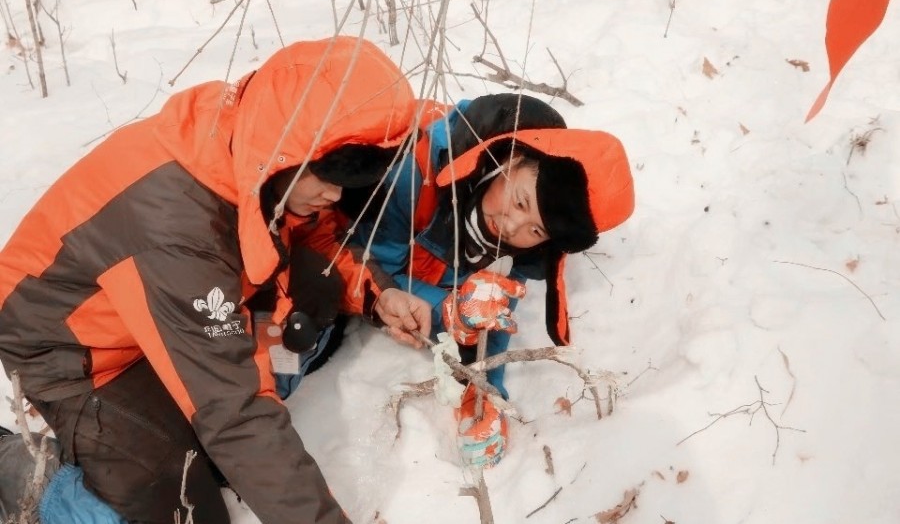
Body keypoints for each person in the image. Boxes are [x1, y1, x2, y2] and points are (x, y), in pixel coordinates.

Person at [0, 36, 434, 524]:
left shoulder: (253, 148)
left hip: (172, 303)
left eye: (348, 180)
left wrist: (378, 295)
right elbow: (236, 412)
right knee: (179, 499)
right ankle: (15, 468)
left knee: (319, 283)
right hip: (76, 348)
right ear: (288, 147)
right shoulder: (176, 228)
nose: (335, 194)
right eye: (327, 175)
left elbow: (313, 233)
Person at [306, 93, 635, 467]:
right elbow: (370, 260)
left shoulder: (516, 252)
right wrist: (450, 308)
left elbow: (487, 326)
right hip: (331, 247)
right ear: (507, 160)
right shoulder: (417, 178)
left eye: (535, 229)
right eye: (521, 202)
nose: (512, 225)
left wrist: (482, 396)